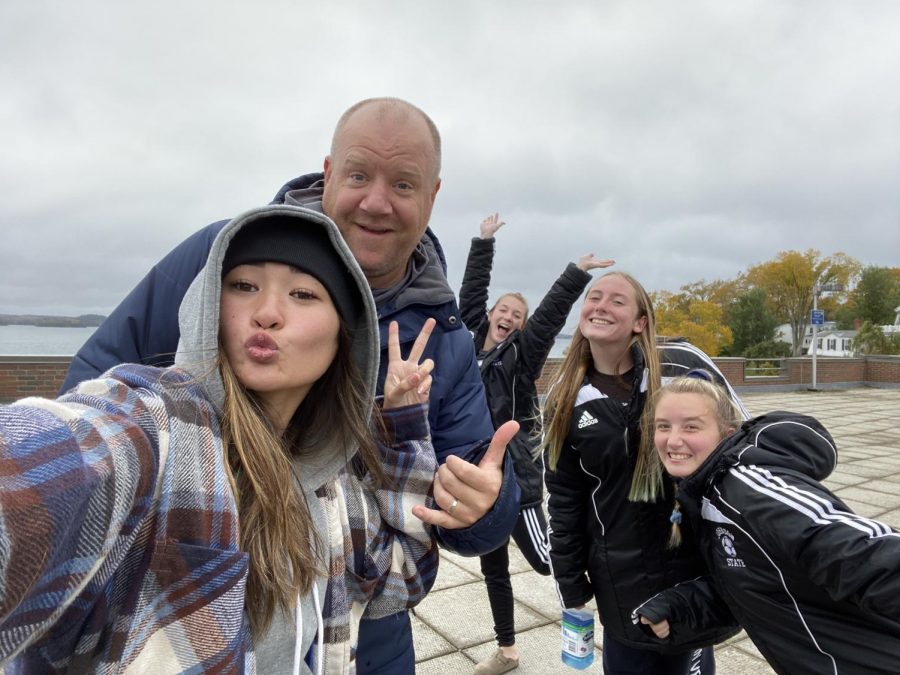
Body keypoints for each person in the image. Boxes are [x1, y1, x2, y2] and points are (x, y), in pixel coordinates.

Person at [59, 97, 519, 672]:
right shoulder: (221, 252)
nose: (376, 201)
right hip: (183, 622)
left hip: (360, 641)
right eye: (357, 175)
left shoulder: (443, 333)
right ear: (328, 174)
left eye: (403, 184)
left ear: (432, 196)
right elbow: (86, 405)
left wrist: (486, 508)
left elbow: (441, 525)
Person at [0, 204, 467, 672]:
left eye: (303, 294)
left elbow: (403, 576)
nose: (266, 313)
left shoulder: (332, 490)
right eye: (243, 286)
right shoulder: (155, 433)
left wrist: (405, 427)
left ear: (344, 338)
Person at [540, 271, 740, 675]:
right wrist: (571, 584)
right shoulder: (565, 400)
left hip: (690, 573)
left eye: (617, 300)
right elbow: (565, 500)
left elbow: (737, 445)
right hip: (620, 581)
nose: (600, 305)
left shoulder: (676, 373)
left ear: (640, 321)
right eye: (594, 297)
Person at [636, 372, 900, 675]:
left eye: (691, 426)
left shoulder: (746, 489)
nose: (673, 439)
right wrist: (680, 608)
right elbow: (758, 580)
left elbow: (859, 552)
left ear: (726, 433)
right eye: (663, 426)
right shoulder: (707, 495)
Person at [458, 212, 613, 674]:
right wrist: (482, 242)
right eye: (503, 310)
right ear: (489, 316)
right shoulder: (466, 342)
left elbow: (546, 320)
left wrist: (574, 275)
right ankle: (507, 652)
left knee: (549, 562)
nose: (508, 317)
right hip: (477, 477)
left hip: (514, 482)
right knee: (493, 569)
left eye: (516, 316)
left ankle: (617, 581)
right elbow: (470, 293)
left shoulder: (521, 357)